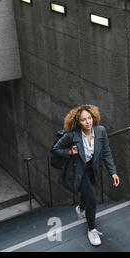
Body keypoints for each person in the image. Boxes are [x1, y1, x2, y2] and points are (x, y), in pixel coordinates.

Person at [52, 104, 120, 246]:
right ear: (78, 122)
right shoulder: (72, 135)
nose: (88, 122)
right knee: (92, 199)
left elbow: (106, 152)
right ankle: (92, 230)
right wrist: (69, 153)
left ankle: (80, 209)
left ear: (93, 117)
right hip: (79, 170)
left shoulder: (101, 131)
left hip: (93, 169)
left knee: (88, 194)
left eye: (89, 118)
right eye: (83, 120)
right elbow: (56, 148)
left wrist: (113, 172)